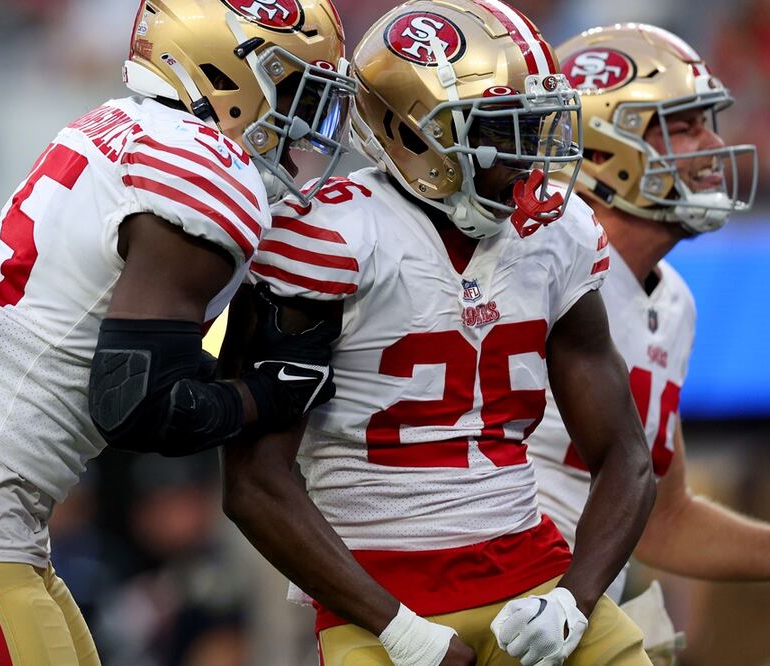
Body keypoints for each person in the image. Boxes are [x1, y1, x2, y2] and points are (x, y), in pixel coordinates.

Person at [0, 1, 356, 663]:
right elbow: (140, 404)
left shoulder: (124, 127)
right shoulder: (202, 167)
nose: (304, 122)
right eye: (294, 89)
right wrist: (268, 395)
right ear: (224, 73)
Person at [221, 2, 658, 665]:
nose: (528, 156)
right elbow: (252, 483)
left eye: (534, 125)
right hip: (377, 595)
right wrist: (399, 629)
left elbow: (626, 455)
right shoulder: (327, 238)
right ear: (411, 131)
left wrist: (574, 599)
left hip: (533, 577)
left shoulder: (558, 233)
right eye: (502, 130)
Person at [528, 22, 768, 663]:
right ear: (599, 147)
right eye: (684, 127)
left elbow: (664, 520)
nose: (715, 146)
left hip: (570, 615)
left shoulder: (672, 300)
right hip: (485, 602)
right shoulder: (529, 263)